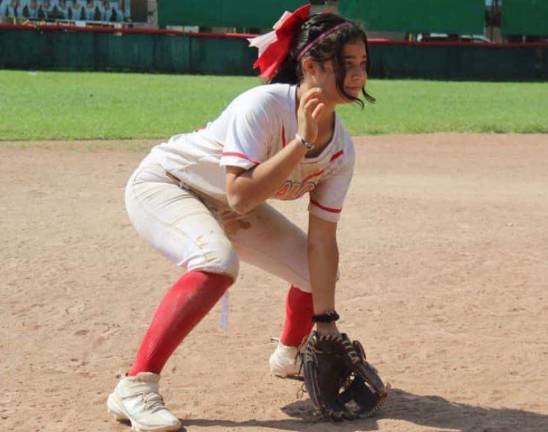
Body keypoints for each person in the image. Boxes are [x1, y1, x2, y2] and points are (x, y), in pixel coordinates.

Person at [105, 4, 374, 431]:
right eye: (345, 64)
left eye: (362, 63)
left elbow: (322, 240)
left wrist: (325, 324)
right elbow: (241, 194)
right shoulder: (264, 106)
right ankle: (135, 387)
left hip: (231, 204)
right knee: (216, 262)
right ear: (309, 65)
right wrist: (302, 141)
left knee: (316, 272)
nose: (358, 75)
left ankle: (290, 356)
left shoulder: (342, 149)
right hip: (168, 184)